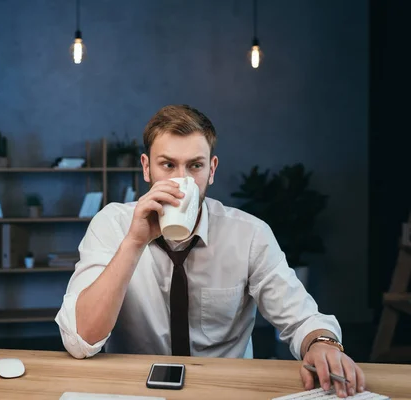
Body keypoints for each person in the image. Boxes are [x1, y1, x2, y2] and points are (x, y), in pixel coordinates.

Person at [55, 104, 364, 398]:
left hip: (226, 391)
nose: (181, 180)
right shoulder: (111, 225)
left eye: (195, 166)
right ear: (147, 168)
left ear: (211, 170)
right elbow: (81, 341)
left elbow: (302, 319)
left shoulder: (249, 234)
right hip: (135, 390)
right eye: (167, 165)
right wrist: (134, 243)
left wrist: (322, 344)